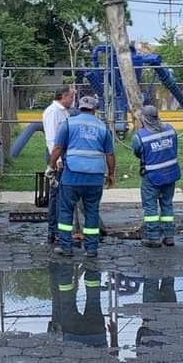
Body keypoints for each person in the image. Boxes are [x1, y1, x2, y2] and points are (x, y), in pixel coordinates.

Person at [49, 95, 115, 258]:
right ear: (94, 109)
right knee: (92, 211)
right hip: (95, 178)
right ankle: (91, 248)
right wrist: (111, 174)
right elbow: (110, 154)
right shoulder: (102, 127)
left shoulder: (68, 124)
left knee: (66, 211)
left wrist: (51, 165)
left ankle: (66, 247)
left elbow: (57, 147)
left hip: (72, 176)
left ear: (79, 107)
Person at [132, 105, 181, 248]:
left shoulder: (140, 136)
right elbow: (174, 148)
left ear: (144, 119)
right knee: (167, 205)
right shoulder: (170, 129)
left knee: (150, 207)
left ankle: (153, 238)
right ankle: (169, 236)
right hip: (171, 174)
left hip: (152, 177)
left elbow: (137, 152)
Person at [41, 86, 74, 244]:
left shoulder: (63, 111)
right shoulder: (53, 112)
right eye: (71, 97)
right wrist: (57, 161)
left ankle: (58, 230)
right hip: (56, 155)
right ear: (64, 96)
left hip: (61, 155)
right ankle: (53, 230)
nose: (72, 100)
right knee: (57, 194)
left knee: (61, 194)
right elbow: (51, 138)